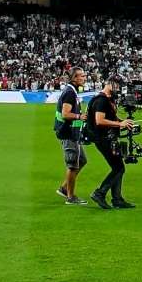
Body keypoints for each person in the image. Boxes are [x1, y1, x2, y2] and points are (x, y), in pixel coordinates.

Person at [86, 77, 135, 210]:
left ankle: (117, 199)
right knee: (119, 168)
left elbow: (109, 118)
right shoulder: (101, 100)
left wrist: (123, 122)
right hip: (103, 139)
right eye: (117, 86)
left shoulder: (104, 99)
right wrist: (119, 123)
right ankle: (100, 193)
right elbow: (99, 120)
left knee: (118, 167)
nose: (118, 89)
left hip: (107, 137)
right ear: (110, 84)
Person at [53, 67, 89, 206]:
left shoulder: (72, 91)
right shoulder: (69, 93)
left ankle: (64, 188)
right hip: (67, 133)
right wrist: (80, 116)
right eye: (82, 76)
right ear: (74, 78)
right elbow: (65, 114)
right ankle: (71, 197)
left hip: (72, 132)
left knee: (82, 160)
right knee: (73, 165)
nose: (84, 78)